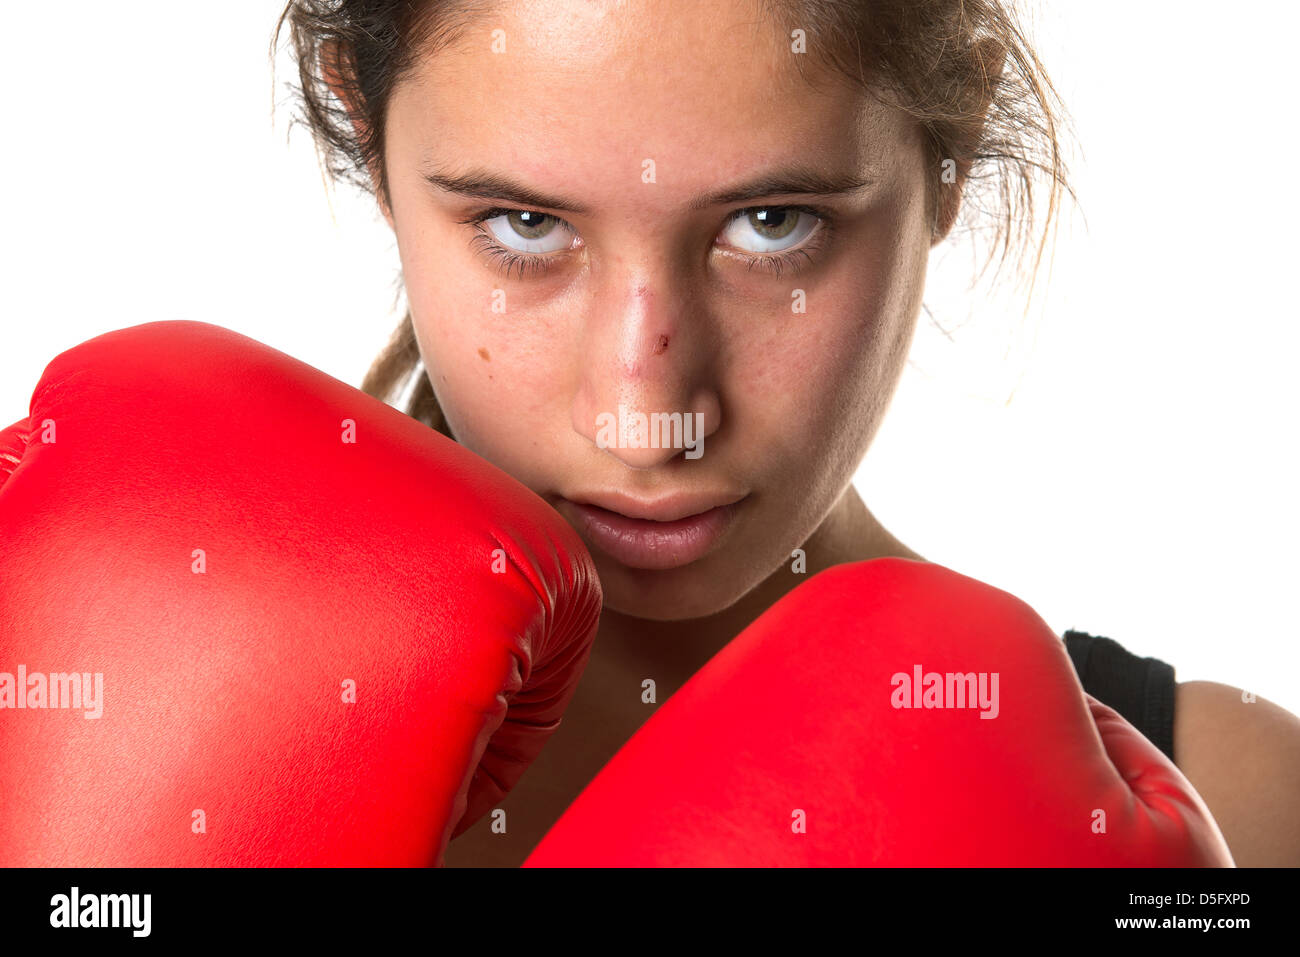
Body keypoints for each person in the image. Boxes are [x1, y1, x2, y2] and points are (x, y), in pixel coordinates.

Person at [274, 0, 1300, 866]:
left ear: (947, 156)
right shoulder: (182, 739)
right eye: (524, 224)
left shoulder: (1242, 811)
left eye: (772, 223)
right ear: (369, 137)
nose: (645, 415)